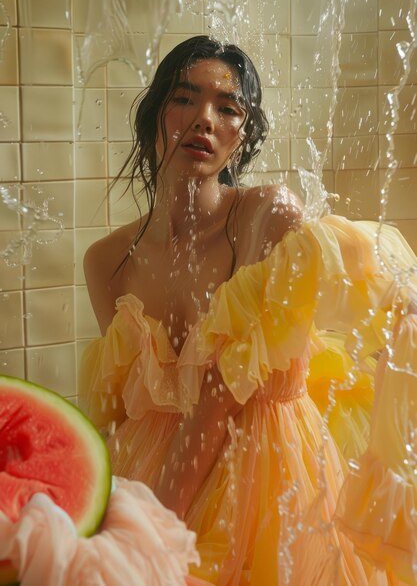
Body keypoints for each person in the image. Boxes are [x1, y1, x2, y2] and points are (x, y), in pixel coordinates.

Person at [81, 35, 417, 585]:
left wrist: (152, 533)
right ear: (153, 113)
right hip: (148, 469)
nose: (204, 120)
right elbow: (118, 414)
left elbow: (221, 391)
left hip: (271, 478)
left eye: (228, 108)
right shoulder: (106, 262)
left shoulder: (268, 215)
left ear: (243, 135)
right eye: (185, 98)